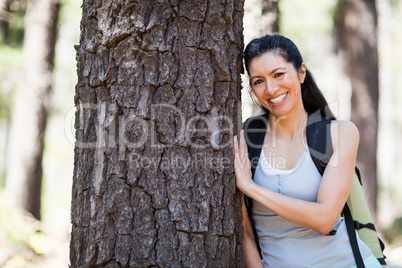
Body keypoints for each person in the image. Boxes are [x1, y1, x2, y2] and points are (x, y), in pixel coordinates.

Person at [233, 34, 382, 267]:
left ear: (301, 72)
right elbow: (244, 231)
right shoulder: (247, 138)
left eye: (278, 74)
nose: (271, 89)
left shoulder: (339, 133)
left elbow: (324, 219)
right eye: (258, 81)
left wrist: (250, 187)